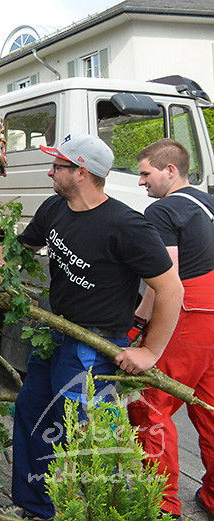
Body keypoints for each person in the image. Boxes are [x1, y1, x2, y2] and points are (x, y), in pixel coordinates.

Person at [10, 133, 183, 520]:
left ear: (82, 173)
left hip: (94, 344)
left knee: (82, 435)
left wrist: (150, 351)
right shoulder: (55, 208)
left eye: (59, 166)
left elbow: (171, 288)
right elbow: (19, 250)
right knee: (32, 411)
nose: (50, 171)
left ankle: (90, 512)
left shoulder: (126, 225)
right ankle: (39, 508)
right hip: (54, 333)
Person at [126, 138, 214, 519]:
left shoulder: (161, 212)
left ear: (170, 171)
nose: (142, 182)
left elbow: (166, 281)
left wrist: (138, 324)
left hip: (189, 312)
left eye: (146, 173)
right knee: (208, 406)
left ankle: (162, 507)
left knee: (152, 406)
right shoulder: (209, 203)